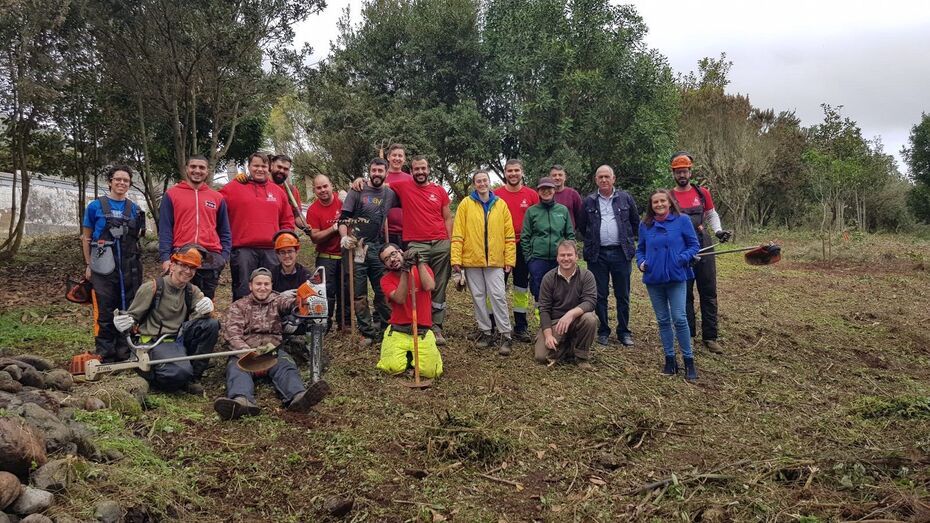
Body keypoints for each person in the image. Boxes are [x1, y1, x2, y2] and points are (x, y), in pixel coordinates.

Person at [213, 268, 330, 420]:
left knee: (286, 366)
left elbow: (290, 304)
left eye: (266, 284)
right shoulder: (238, 306)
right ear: (250, 286)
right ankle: (241, 401)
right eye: (258, 284)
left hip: (272, 351)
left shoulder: (277, 301)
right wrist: (247, 352)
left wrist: (303, 301)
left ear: (271, 285)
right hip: (246, 352)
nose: (262, 288)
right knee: (236, 370)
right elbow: (232, 334)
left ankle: (298, 397)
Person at [113, 245, 220, 393]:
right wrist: (123, 323)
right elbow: (132, 318)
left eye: (192, 268)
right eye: (183, 265)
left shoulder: (192, 291)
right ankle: (154, 374)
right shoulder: (152, 288)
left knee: (211, 325)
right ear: (173, 265)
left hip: (178, 340)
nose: (188, 271)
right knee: (178, 373)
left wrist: (208, 310)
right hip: (153, 342)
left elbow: (207, 320)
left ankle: (192, 378)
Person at [669, 152, 732, 354]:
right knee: (684, 293)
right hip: (681, 249)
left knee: (708, 291)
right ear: (673, 173)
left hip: (704, 245)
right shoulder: (669, 196)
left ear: (690, 172)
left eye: (685, 171)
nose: (682, 175)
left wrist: (718, 231)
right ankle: (687, 335)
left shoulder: (702, 193)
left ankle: (710, 337)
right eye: (678, 172)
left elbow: (711, 214)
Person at [82, 165, 145, 363]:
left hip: (129, 265)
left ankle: (126, 349)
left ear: (129, 184)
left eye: (126, 180)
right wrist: (89, 264)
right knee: (105, 307)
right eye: (118, 179)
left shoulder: (134, 209)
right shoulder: (95, 206)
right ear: (110, 181)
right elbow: (86, 237)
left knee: (129, 306)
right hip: (103, 264)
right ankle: (105, 351)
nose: (121, 183)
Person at [636, 189, 701, 380]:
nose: (659, 205)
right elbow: (640, 249)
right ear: (651, 205)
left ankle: (689, 360)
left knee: (679, 318)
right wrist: (641, 263)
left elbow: (694, 245)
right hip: (654, 278)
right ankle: (670, 359)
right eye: (655, 202)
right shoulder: (645, 224)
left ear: (670, 202)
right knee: (663, 320)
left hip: (676, 276)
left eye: (662, 201)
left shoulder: (682, 220)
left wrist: (681, 258)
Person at [389, 156, 453, 346]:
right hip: (416, 244)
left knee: (439, 283)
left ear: (428, 169)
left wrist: (449, 241)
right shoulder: (403, 186)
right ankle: (420, 322)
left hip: (440, 243)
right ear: (411, 171)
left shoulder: (439, 190)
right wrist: (360, 182)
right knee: (419, 283)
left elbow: (447, 217)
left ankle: (437, 326)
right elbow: (379, 184)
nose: (420, 172)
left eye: (423, 168)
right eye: (416, 169)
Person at [451, 171, 516, 355]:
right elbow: (458, 233)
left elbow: (509, 235)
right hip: (472, 260)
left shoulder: (500, 204)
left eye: (484, 180)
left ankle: (505, 334)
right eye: (478, 181)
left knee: (498, 296)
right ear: (474, 184)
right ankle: (485, 331)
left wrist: (509, 259)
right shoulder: (466, 204)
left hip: (495, 260)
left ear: (489, 182)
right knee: (478, 296)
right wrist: (456, 259)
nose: (482, 184)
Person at [577, 165, 640, 347]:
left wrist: (629, 240)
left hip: (621, 253)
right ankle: (603, 331)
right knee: (599, 294)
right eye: (600, 177)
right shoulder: (589, 201)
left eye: (607, 176)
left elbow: (635, 222)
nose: (604, 180)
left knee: (623, 294)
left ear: (613, 179)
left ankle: (624, 331)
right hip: (597, 255)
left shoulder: (625, 198)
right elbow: (582, 226)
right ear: (596, 180)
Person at [220, 152, 296, 301]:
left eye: (263, 166)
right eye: (256, 165)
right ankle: (241, 316)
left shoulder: (278, 192)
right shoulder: (233, 188)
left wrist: (284, 243)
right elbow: (214, 207)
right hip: (243, 251)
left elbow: (287, 221)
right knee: (243, 291)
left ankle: (271, 317)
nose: (260, 169)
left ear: (269, 168)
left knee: (272, 291)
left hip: (271, 251)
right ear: (248, 167)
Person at [339, 158, 397, 345]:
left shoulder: (389, 194)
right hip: (357, 247)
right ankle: (367, 331)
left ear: (386, 172)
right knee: (359, 292)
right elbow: (343, 218)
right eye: (374, 170)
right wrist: (344, 237)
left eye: (380, 170)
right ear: (369, 171)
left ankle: (389, 327)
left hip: (378, 247)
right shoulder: (357, 190)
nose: (377, 174)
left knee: (383, 289)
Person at [158, 156, 231, 300]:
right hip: (181, 255)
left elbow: (225, 230)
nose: (197, 171)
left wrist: (224, 257)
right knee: (178, 301)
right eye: (193, 167)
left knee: (205, 302)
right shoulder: (172, 194)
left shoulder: (217, 197)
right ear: (186, 169)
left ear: (208, 171)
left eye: (202, 167)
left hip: (210, 257)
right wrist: (165, 258)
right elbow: (165, 229)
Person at [376, 244, 443, 378]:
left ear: (401, 252)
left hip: (422, 331)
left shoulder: (423, 269)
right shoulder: (385, 280)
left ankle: (413, 356)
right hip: (398, 330)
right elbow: (400, 298)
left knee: (431, 372)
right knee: (390, 368)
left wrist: (419, 263)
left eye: (393, 254)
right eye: (386, 259)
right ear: (385, 265)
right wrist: (405, 271)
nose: (392, 259)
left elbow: (429, 286)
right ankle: (408, 357)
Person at [494, 159, 539, 342]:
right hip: (501, 246)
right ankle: (494, 325)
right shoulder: (496, 194)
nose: (513, 174)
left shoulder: (532, 195)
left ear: (522, 172)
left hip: (523, 246)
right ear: (505, 173)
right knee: (497, 287)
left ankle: (521, 326)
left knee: (521, 287)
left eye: (516, 170)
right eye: (510, 171)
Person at [535, 240, 598, 370]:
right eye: (562, 255)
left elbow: (590, 301)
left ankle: (581, 356)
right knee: (541, 356)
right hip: (555, 322)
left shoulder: (587, 276)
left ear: (576, 256)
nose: (566, 258)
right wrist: (548, 335)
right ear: (557, 258)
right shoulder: (548, 278)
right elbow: (544, 309)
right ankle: (569, 346)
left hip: (577, 319)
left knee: (590, 319)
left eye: (569, 255)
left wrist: (571, 314)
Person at [521, 177, 574, 303]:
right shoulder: (532, 211)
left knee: (560, 288)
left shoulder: (562, 210)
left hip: (559, 259)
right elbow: (525, 236)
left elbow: (570, 235)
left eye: (549, 188)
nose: (546, 191)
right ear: (538, 191)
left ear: (554, 190)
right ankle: (541, 312)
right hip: (538, 259)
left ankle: (558, 313)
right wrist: (529, 258)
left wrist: (568, 255)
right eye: (542, 189)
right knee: (538, 289)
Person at [305, 174, 345, 329]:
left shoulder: (342, 201)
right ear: (314, 190)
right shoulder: (313, 210)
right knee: (326, 292)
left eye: (325, 186)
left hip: (345, 255)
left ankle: (345, 324)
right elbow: (315, 237)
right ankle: (324, 324)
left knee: (345, 291)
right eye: (319, 188)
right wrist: (334, 228)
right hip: (326, 257)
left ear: (331, 185)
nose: (322, 190)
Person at [269, 154, 311, 233]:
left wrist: (305, 226)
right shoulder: (261, 186)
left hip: (285, 236)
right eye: (279, 167)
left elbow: (297, 215)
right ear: (271, 166)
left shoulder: (292, 190)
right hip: (265, 234)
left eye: (286, 169)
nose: (282, 171)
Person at [385, 144, 413, 247]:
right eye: (394, 155)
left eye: (400, 156)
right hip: (385, 232)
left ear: (404, 159)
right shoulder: (381, 177)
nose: (397, 158)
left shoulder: (410, 179)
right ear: (388, 157)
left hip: (408, 233)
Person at [549, 164, 584, 230]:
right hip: (550, 234)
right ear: (550, 178)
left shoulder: (573, 194)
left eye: (560, 175)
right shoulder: (545, 195)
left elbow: (580, 216)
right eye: (554, 175)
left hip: (568, 234)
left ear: (565, 177)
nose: (557, 178)